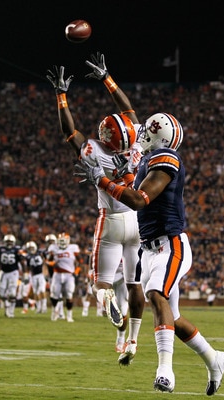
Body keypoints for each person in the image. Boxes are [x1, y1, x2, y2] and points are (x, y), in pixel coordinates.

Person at [76, 110, 224, 394]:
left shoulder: (166, 158)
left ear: (158, 137)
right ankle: (214, 358)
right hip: (148, 248)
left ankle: (164, 372)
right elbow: (129, 120)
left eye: (148, 131)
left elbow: (139, 200)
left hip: (170, 244)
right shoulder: (149, 159)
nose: (141, 134)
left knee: (155, 295)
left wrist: (102, 180)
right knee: (173, 317)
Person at [46, 59, 145, 365]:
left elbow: (69, 132)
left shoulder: (93, 150)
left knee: (100, 284)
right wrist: (107, 78)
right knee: (135, 284)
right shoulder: (137, 141)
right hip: (138, 221)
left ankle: (106, 301)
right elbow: (128, 110)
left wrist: (62, 96)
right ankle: (132, 341)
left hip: (112, 220)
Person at [46, 232, 81, 322]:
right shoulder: (53, 248)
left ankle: (69, 316)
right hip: (57, 274)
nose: (62, 243)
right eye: (60, 241)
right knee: (54, 295)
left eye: (64, 241)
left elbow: (80, 260)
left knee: (69, 295)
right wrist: (52, 263)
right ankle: (54, 312)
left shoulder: (73, 248)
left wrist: (77, 271)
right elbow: (48, 261)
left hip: (69, 275)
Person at [0, 234, 25, 318]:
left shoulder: (17, 250)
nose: (9, 243)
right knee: (1, 294)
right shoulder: (1, 249)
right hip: (3, 272)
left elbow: (22, 262)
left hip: (13, 273)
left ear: (13, 242)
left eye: (10, 242)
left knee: (12, 293)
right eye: (7, 242)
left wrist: (25, 273)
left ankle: (11, 311)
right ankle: (7, 305)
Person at [23, 241, 48, 313]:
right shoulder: (27, 256)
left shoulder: (40, 253)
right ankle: (39, 307)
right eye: (29, 248)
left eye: (32, 248)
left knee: (42, 290)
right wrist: (26, 276)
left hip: (41, 274)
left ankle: (44, 307)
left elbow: (45, 263)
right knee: (36, 292)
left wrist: (45, 273)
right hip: (33, 276)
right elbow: (27, 267)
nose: (31, 249)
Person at [44, 234, 65, 318]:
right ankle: (59, 312)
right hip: (51, 274)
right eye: (49, 242)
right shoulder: (46, 252)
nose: (50, 243)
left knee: (59, 294)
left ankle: (60, 313)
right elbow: (45, 264)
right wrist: (46, 273)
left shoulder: (59, 250)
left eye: (52, 241)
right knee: (54, 294)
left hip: (59, 273)